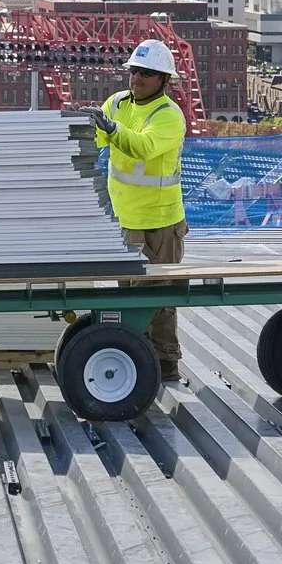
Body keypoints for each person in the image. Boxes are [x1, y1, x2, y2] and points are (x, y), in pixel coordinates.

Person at [94, 38, 190, 381]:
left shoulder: (168, 116)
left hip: (160, 223)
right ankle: (138, 357)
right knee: (131, 297)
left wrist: (112, 129)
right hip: (125, 221)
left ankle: (166, 364)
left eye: (146, 74)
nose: (136, 79)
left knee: (160, 300)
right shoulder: (117, 103)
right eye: (134, 71)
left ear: (164, 80)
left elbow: (144, 148)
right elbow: (96, 140)